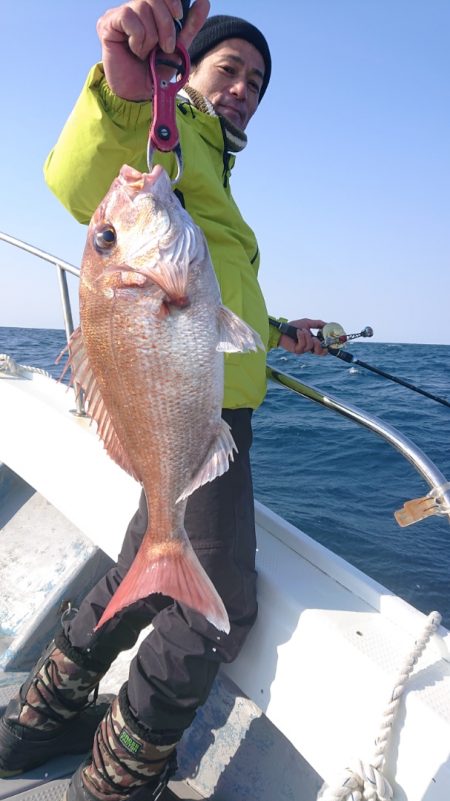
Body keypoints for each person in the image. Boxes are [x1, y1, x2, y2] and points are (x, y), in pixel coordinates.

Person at [0, 2, 327, 799]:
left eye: (256, 80)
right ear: (191, 71)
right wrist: (123, 83)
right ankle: (115, 780)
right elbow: (78, 182)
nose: (244, 87)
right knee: (217, 611)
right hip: (197, 417)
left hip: (191, 405)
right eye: (230, 69)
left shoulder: (211, 164)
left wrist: (279, 331)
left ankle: (34, 720)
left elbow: (214, 290)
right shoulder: (168, 122)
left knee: (135, 569)